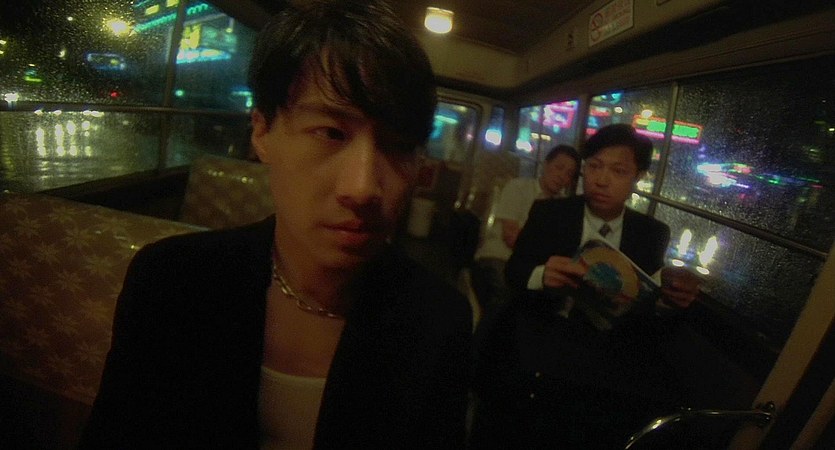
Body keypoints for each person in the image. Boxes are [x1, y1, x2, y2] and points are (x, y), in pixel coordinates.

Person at [78, 1, 472, 448]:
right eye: (331, 133)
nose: (363, 188)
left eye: (399, 145)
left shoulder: (438, 319)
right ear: (262, 131)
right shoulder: (174, 281)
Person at [470, 124, 700, 449]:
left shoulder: (651, 233)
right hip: (544, 328)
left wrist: (670, 299)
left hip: (604, 349)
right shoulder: (551, 212)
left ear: (638, 177)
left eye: (618, 171)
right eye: (594, 166)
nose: (601, 180)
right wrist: (541, 275)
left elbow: (645, 300)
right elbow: (515, 271)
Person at [470, 145, 580, 315]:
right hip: (499, 257)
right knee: (507, 298)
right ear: (545, 164)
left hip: (535, 268)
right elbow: (511, 237)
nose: (562, 176)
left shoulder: (563, 207)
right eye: (559, 167)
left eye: (569, 174)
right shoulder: (519, 187)